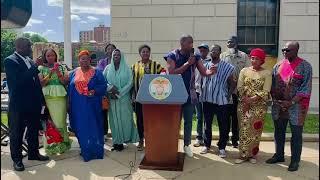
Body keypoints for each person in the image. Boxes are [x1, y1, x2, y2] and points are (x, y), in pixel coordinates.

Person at [164, 35, 216, 157]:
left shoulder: (195, 56)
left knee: (188, 121)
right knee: (174, 122)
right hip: (174, 95)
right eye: (189, 43)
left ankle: (187, 145)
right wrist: (188, 64)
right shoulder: (172, 55)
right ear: (182, 43)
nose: (192, 45)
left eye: (192, 43)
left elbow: (204, 72)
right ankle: (172, 145)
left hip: (190, 93)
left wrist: (211, 72)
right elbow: (171, 73)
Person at [266, 42, 312, 172]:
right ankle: (279, 155)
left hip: (296, 107)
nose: (285, 52)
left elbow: (305, 88)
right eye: (283, 50)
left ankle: (295, 161)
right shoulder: (278, 65)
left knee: (296, 134)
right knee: (279, 132)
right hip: (279, 105)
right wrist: (274, 99)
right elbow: (272, 83)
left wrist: (291, 102)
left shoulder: (305, 66)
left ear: (297, 50)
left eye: (288, 50)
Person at [4, 37, 49, 171]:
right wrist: (35, 66)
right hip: (18, 106)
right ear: (20, 47)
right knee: (17, 133)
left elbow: (35, 82)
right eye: (29, 46)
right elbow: (19, 82)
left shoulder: (29, 60)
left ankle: (33, 153)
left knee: (33, 131)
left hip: (33, 104)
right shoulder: (10, 61)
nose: (30, 49)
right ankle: (17, 160)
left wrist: (41, 100)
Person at [234, 48, 272, 164]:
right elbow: (239, 87)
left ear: (262, 61)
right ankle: (242, 155)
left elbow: (266, 91)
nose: (254, 60)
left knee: (255, 130)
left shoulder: (267, 73)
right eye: (252, 58)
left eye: (257, 59)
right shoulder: (244, 71)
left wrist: (252, 99)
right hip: (244, 104)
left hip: (259, 107)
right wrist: (246, 99)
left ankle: (252, 155)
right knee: (244, 129)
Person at [68, 50, 107, 162]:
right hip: (77, 107)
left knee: (94, 126)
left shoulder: (97, 72)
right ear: (79, 60)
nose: (84, 60)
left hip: (92, 105)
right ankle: (85, 150)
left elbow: (103, 85)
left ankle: (96, 151)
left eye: (86, 58)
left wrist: (94, 91)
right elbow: (69, 88)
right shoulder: (74, 73)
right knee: (81, 128)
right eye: (82, 58)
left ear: (90, 60)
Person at [199, 45, 236, 157]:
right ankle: (207, 145)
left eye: (215, 50)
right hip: (207, 100)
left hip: (221, 101)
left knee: (223, 125)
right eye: (211, 50)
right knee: (207, 124)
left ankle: (222, 147)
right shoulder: (205, 66)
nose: (213, 51)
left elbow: (232, 83)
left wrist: (227, 95)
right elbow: (200, 82)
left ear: (220, 52)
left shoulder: (227, 67)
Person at [104, 49, 139, 151]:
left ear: (121, 56)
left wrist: (119, 93)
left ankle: (126, 139)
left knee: (126, 120)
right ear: (112, 56)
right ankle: (117, 142)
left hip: (124, 100)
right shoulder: (107, 68)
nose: (116, 56)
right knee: (114, 121)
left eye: (118, 55)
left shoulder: (127, 69)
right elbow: (103, 80)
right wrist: (109, 88)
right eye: (114, 55)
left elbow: (130, 83)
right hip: (112, 100)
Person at [38, 48, 72, 155]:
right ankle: (51, 145)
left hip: (61, 97)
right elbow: (42, 83)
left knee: (60, 121)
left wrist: (57, 72)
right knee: (50, 121)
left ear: (55, 56)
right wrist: (50, 74)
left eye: (52, 55)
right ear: (45, 57)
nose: (50, 57)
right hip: (48, 98)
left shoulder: (62, 67)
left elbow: (65, 82)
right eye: (48, 56)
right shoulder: (41, 68)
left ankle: (62, 144)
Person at [132, 44, 163, 151]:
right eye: (143, 51)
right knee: (139, 120)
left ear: (150, 53)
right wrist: (132, 96)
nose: (145, 53)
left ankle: (152, 140)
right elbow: (131, 82)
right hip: (138, 98)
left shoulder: (156, 65)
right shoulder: (135, 66)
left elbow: (162, 78)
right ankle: (141, 140)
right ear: (140, 53)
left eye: (147, 51)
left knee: (152, 120)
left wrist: (151, 76)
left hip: (152, 99)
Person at [220, 36, 250, 148]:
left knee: (237, 117)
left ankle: (235, 140)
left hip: (239, 92)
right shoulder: (222, 55)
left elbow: (247, 72)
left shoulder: (243, 56)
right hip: (226, 92)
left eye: (231, 42)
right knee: (225, 116)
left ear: (236, 43)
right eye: (227, 42)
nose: (229, 43)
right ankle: (226, 138)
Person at [97, 43, 117, 140]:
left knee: (115, 114)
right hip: (104, 92)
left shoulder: (120, 62)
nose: (110, 51)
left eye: (113, 49)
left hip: (116, 92)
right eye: (108, 49)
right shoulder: (102, 62)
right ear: (106, 52)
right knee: (103, 113)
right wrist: (109, 87)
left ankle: (117, 134)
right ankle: (104, 133)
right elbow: (101, 76)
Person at [193, 43, 211, 147]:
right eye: (200, 50)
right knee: (199, 116)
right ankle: (199, 137)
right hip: (197, 91)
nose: (202, 52)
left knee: (207, 116)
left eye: (204, 50)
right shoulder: (194, 62)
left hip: (207, 92)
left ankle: (206, 138)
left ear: (207, 51)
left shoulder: (210, 62)